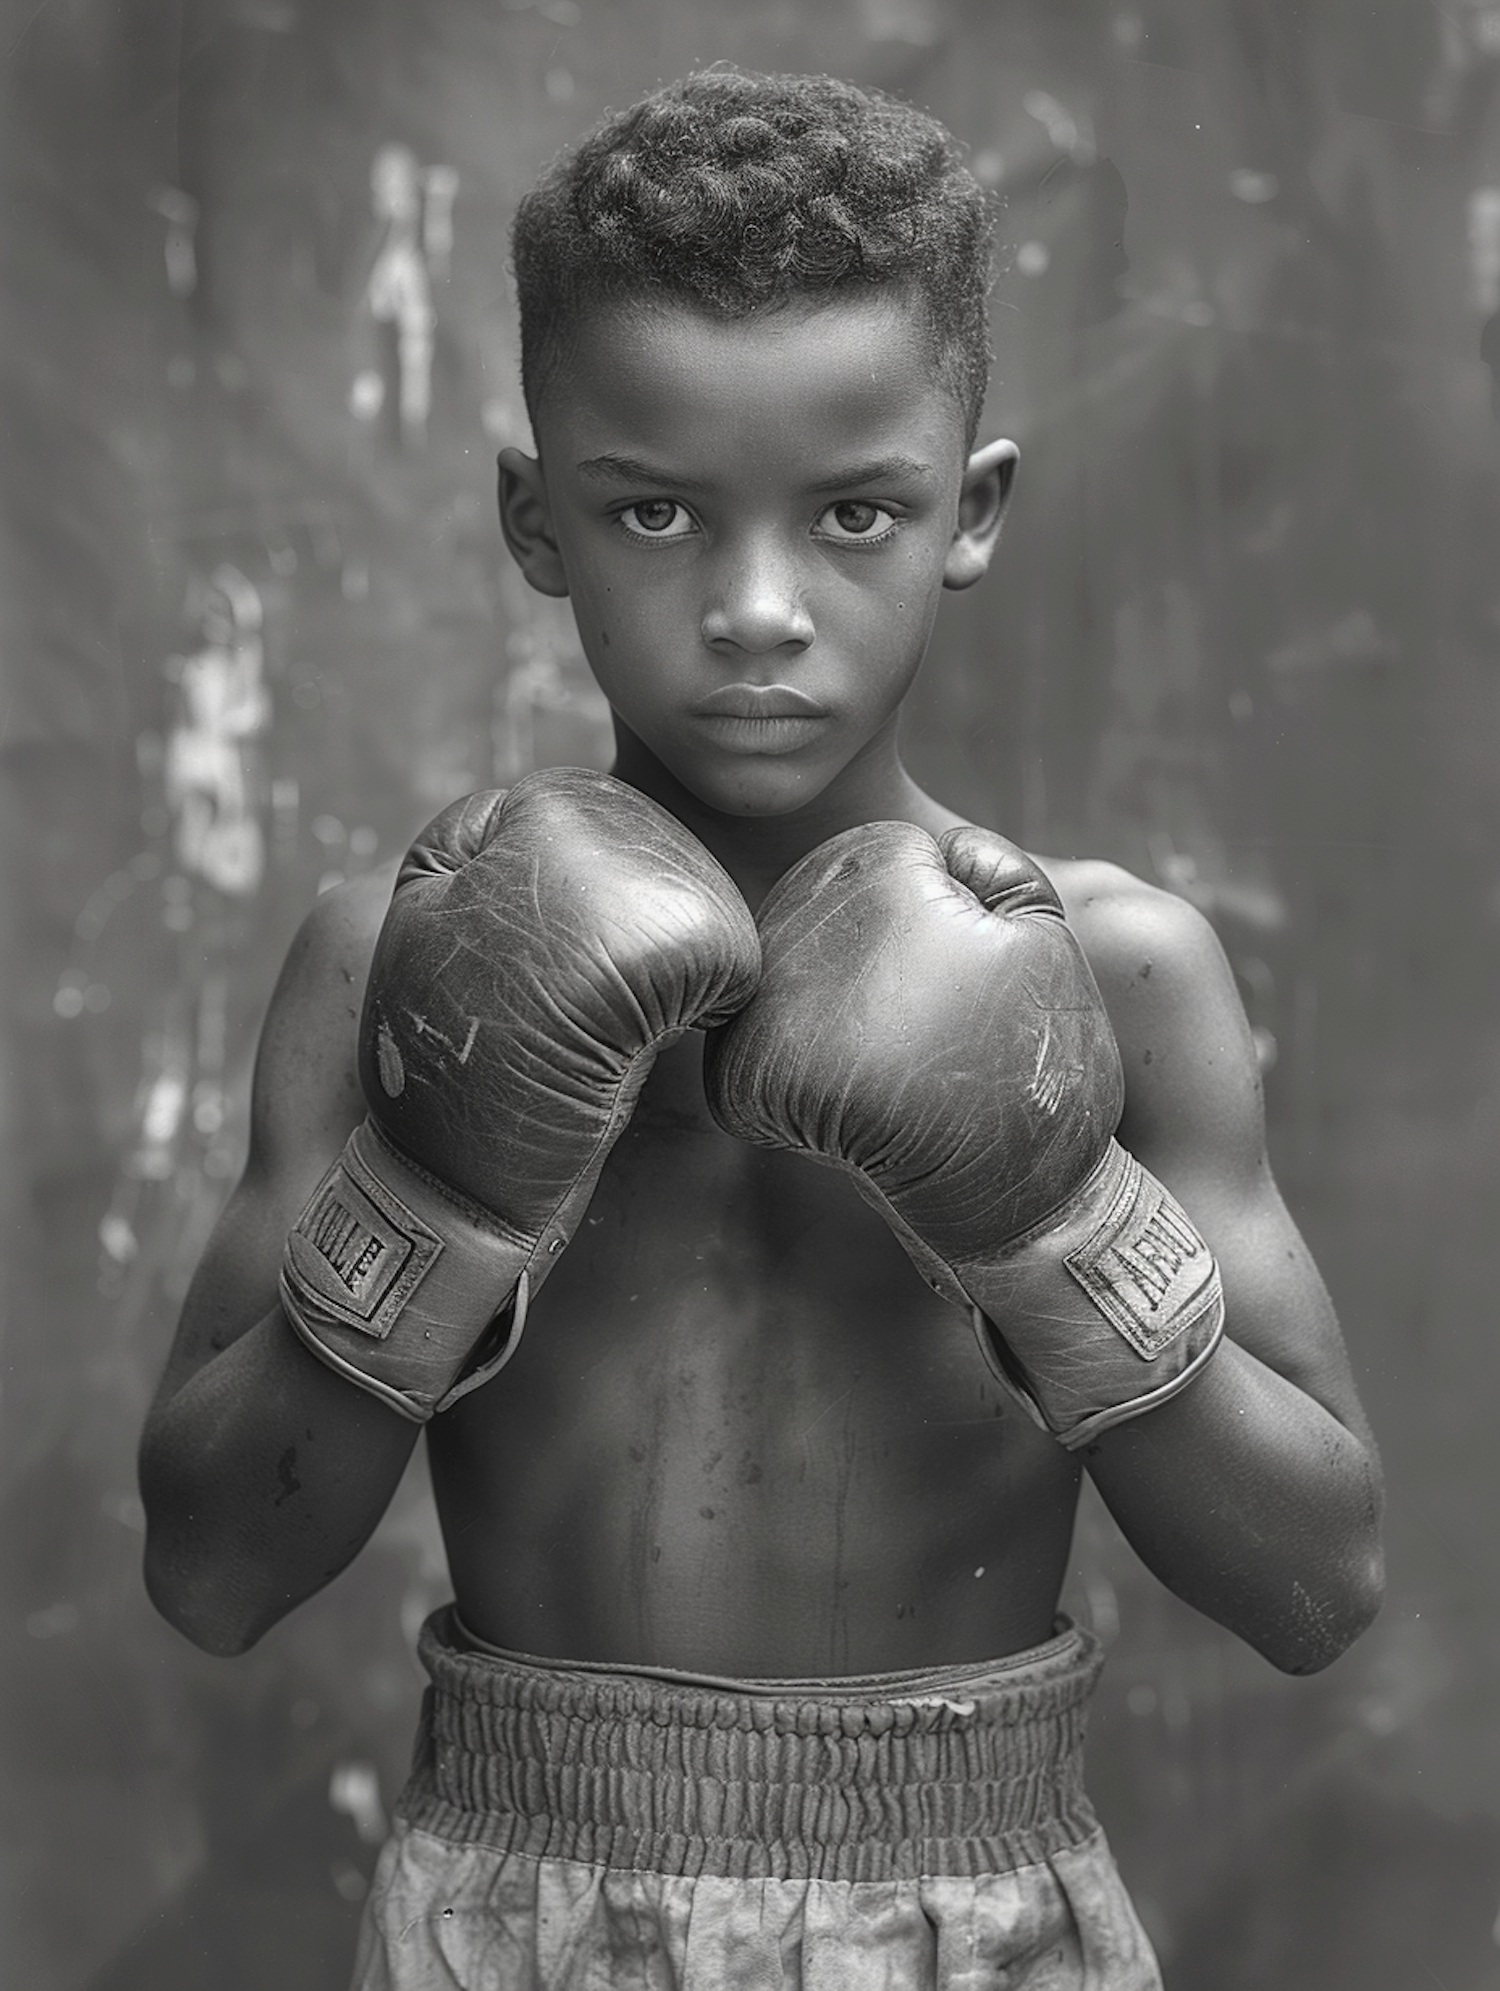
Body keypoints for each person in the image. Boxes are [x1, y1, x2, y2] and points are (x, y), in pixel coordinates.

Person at [138, 69, 1384, 1989]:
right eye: (652, 509)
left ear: (968, 515)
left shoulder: (1121, 974)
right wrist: (436, 1192)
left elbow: (1319, 1584)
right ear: (532, 517)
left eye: (854, 512)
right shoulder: (389, 961)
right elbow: (211, 1568)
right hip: (510, 1907)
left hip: (986, 1916)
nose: (754, 607)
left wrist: (1050, 1221)